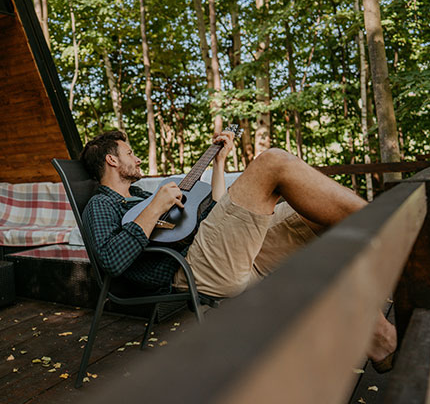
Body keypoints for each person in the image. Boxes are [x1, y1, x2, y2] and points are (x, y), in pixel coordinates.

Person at [79, 129, 396, 372]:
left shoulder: (141, 194)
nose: (137, 158)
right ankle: (392, 227)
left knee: (318, 215)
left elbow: (215, 208)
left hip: (218, 247)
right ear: (111, 160)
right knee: (271, 162)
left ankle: (380, 340)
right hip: (191, 267)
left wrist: (219, 162)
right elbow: (110, 260)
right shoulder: (102, 204)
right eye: (130, 153)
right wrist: (155, 208)